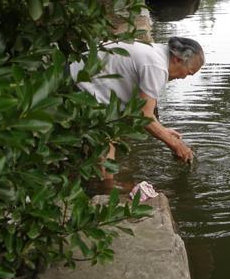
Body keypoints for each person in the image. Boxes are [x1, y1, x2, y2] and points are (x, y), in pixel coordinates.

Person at [70, 37, 204, 179]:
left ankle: (97, 182)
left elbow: (142, 110)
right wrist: (176, 145)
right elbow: (143, 116)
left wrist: (163, 131)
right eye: (188, 73)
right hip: (78, 86)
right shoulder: (156, 66)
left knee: (108, 140)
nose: (184, 78)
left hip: (79, 78)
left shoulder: (156, 52)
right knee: (106, 148)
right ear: (178, 60)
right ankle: (106, 193)